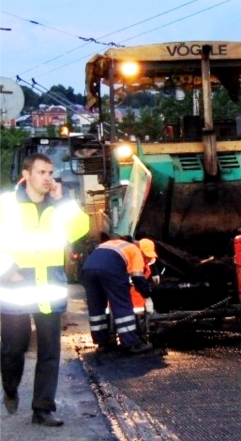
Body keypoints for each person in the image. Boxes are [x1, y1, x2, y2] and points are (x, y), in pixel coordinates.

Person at [0, 153, 90, 426]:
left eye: (50, 173)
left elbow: (79, 229)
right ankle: (10, 387)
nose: (48, 178)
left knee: (50, 352)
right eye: (42, 172)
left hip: (49, 290)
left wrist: (64, 201)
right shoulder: (6, 204)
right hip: (15, 290)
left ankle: (42, 409)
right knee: (14, 350)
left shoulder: (58, 205)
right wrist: (6, 270)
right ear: (26, 174)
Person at [80, 236, 155, 354]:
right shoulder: (135, 251)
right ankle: (132, 344)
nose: (146, 260)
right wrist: (147, 296)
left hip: (88, 270)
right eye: (147, 257)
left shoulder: (113, 243)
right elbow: (138, 278)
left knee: (97, 308)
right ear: (141, 250)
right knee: (122, 305)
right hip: (111, 270)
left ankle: (103, 343)